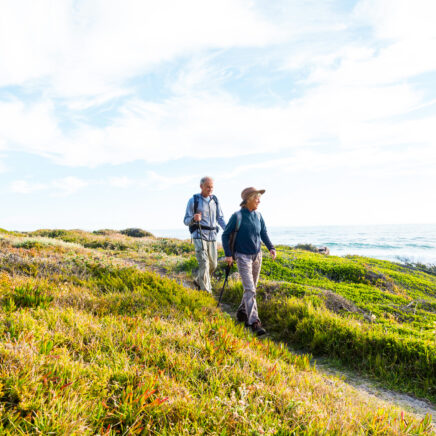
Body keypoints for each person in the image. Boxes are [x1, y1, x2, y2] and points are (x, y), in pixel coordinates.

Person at [222, 187, 276, 336]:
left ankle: (241, 311)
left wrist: (271, 247)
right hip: (242, 257)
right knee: (250, 289)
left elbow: (263, 233)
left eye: (259, 198)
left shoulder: (259, 216)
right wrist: (228, 254)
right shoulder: (237, 216)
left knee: (251, 288)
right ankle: (254, 322)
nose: (259, 200)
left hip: (257, 256)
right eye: (256, 198)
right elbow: (225, 235)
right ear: (248, 200)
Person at [184, 176, 226, 294]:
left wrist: (227, 230)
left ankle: (198, 280)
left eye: (212, 187)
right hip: (199, 235)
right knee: (204, 264)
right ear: (201, 186)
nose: (210, 189)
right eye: (208, 187)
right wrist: (194, 218)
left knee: (213, 264)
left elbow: (220, 218)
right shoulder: (193, 201)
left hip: (212, 237)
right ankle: (206, 292)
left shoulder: (215, 201)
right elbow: (186, 220)